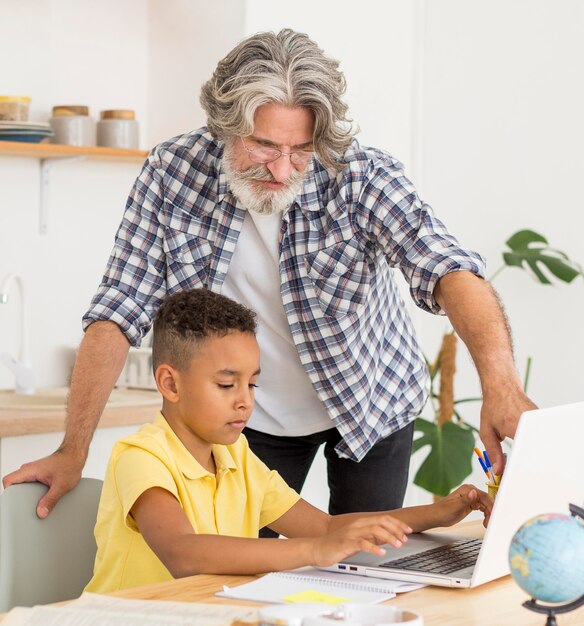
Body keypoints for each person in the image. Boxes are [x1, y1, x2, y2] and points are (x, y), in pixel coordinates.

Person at [3, 29, 534, 521]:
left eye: (299, 150)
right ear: (223, 125)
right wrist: (72, 451)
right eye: (263, 145)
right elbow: (121, 307)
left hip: (371, 400)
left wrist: (502, 386)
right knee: (247, 574)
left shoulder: (359, 173)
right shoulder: (173, 171)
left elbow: (447, 268)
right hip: (254, 421)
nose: (282, 169)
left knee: (366, 565)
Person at [85, 288, 493, 593]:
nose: (245, 401)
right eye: (227, 384)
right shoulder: (141, 456)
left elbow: (325, 526)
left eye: (252, 383)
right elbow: (183, 553)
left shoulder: (236, 458)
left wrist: (437, 514)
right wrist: (316, 552)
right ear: (170, 384)